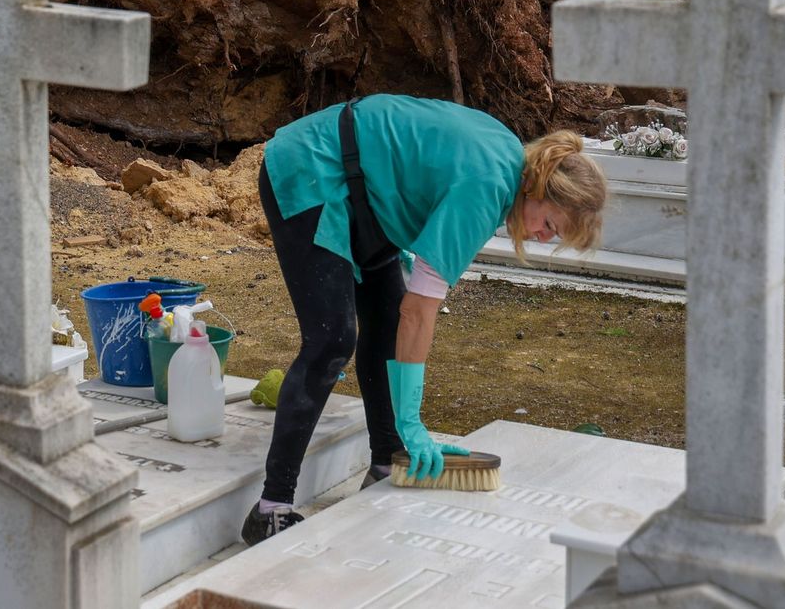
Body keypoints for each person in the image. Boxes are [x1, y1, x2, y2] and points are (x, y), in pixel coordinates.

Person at [240, 94, 607, 545]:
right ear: (540, 189)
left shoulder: (506, 163)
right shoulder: (488, 187)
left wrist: (405, 433)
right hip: (312, 168)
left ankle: (385, 462)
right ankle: (271, 508)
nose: (540, 236)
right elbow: (420, 309)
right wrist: (413, 422)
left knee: (387, 329)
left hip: (367, 197)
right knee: (332, 338)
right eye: (549, 225)